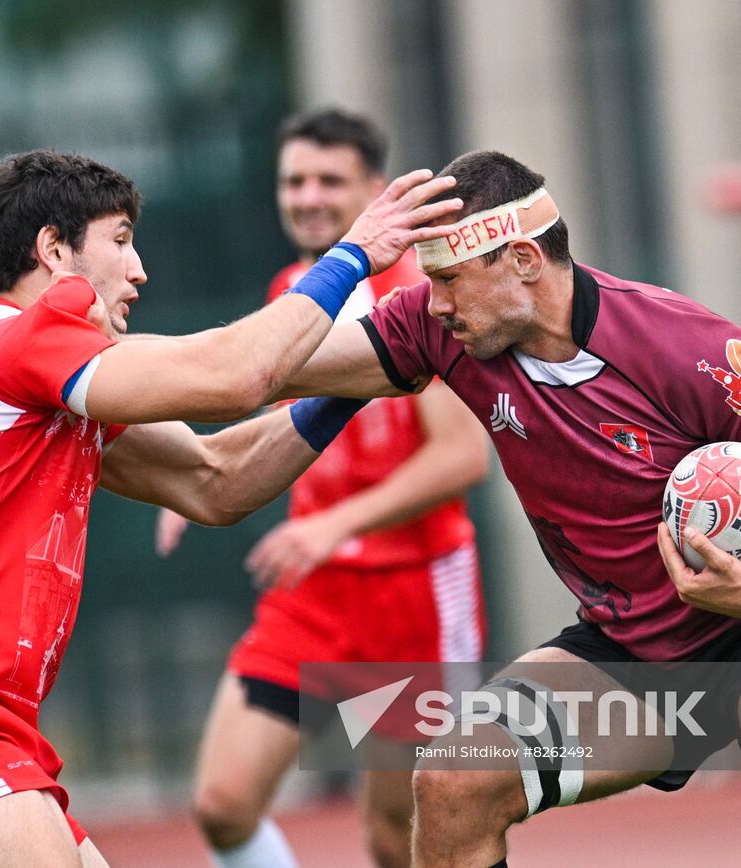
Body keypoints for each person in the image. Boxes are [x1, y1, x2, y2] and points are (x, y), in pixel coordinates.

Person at [0, 149, 461, 867]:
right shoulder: (14, 341)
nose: (139, 270)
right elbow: (235, 374)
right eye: (120, 240)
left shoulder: (41, 388)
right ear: (53, 251)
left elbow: (217, 479)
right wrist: (354, 256)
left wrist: (367, 378)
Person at [281, 149, 741, 867]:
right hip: (635, 650)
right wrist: (153, 398)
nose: (436, 301)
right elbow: (264, 372)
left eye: (449, 279)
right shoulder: (438, 329)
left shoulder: (679, 342)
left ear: (521, 260)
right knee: (453, 781)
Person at [155, 109, 488, 868]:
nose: (307, 197)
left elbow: (462, 457)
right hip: (310, 595)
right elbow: (276, 421)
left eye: (329, 181)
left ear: (375, 190)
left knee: (398, 839)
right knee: (223, 805)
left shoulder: (424, 296)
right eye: (294, 181)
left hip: (411, 597)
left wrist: (335, 524)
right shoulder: (293, 292)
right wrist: (192, 470)